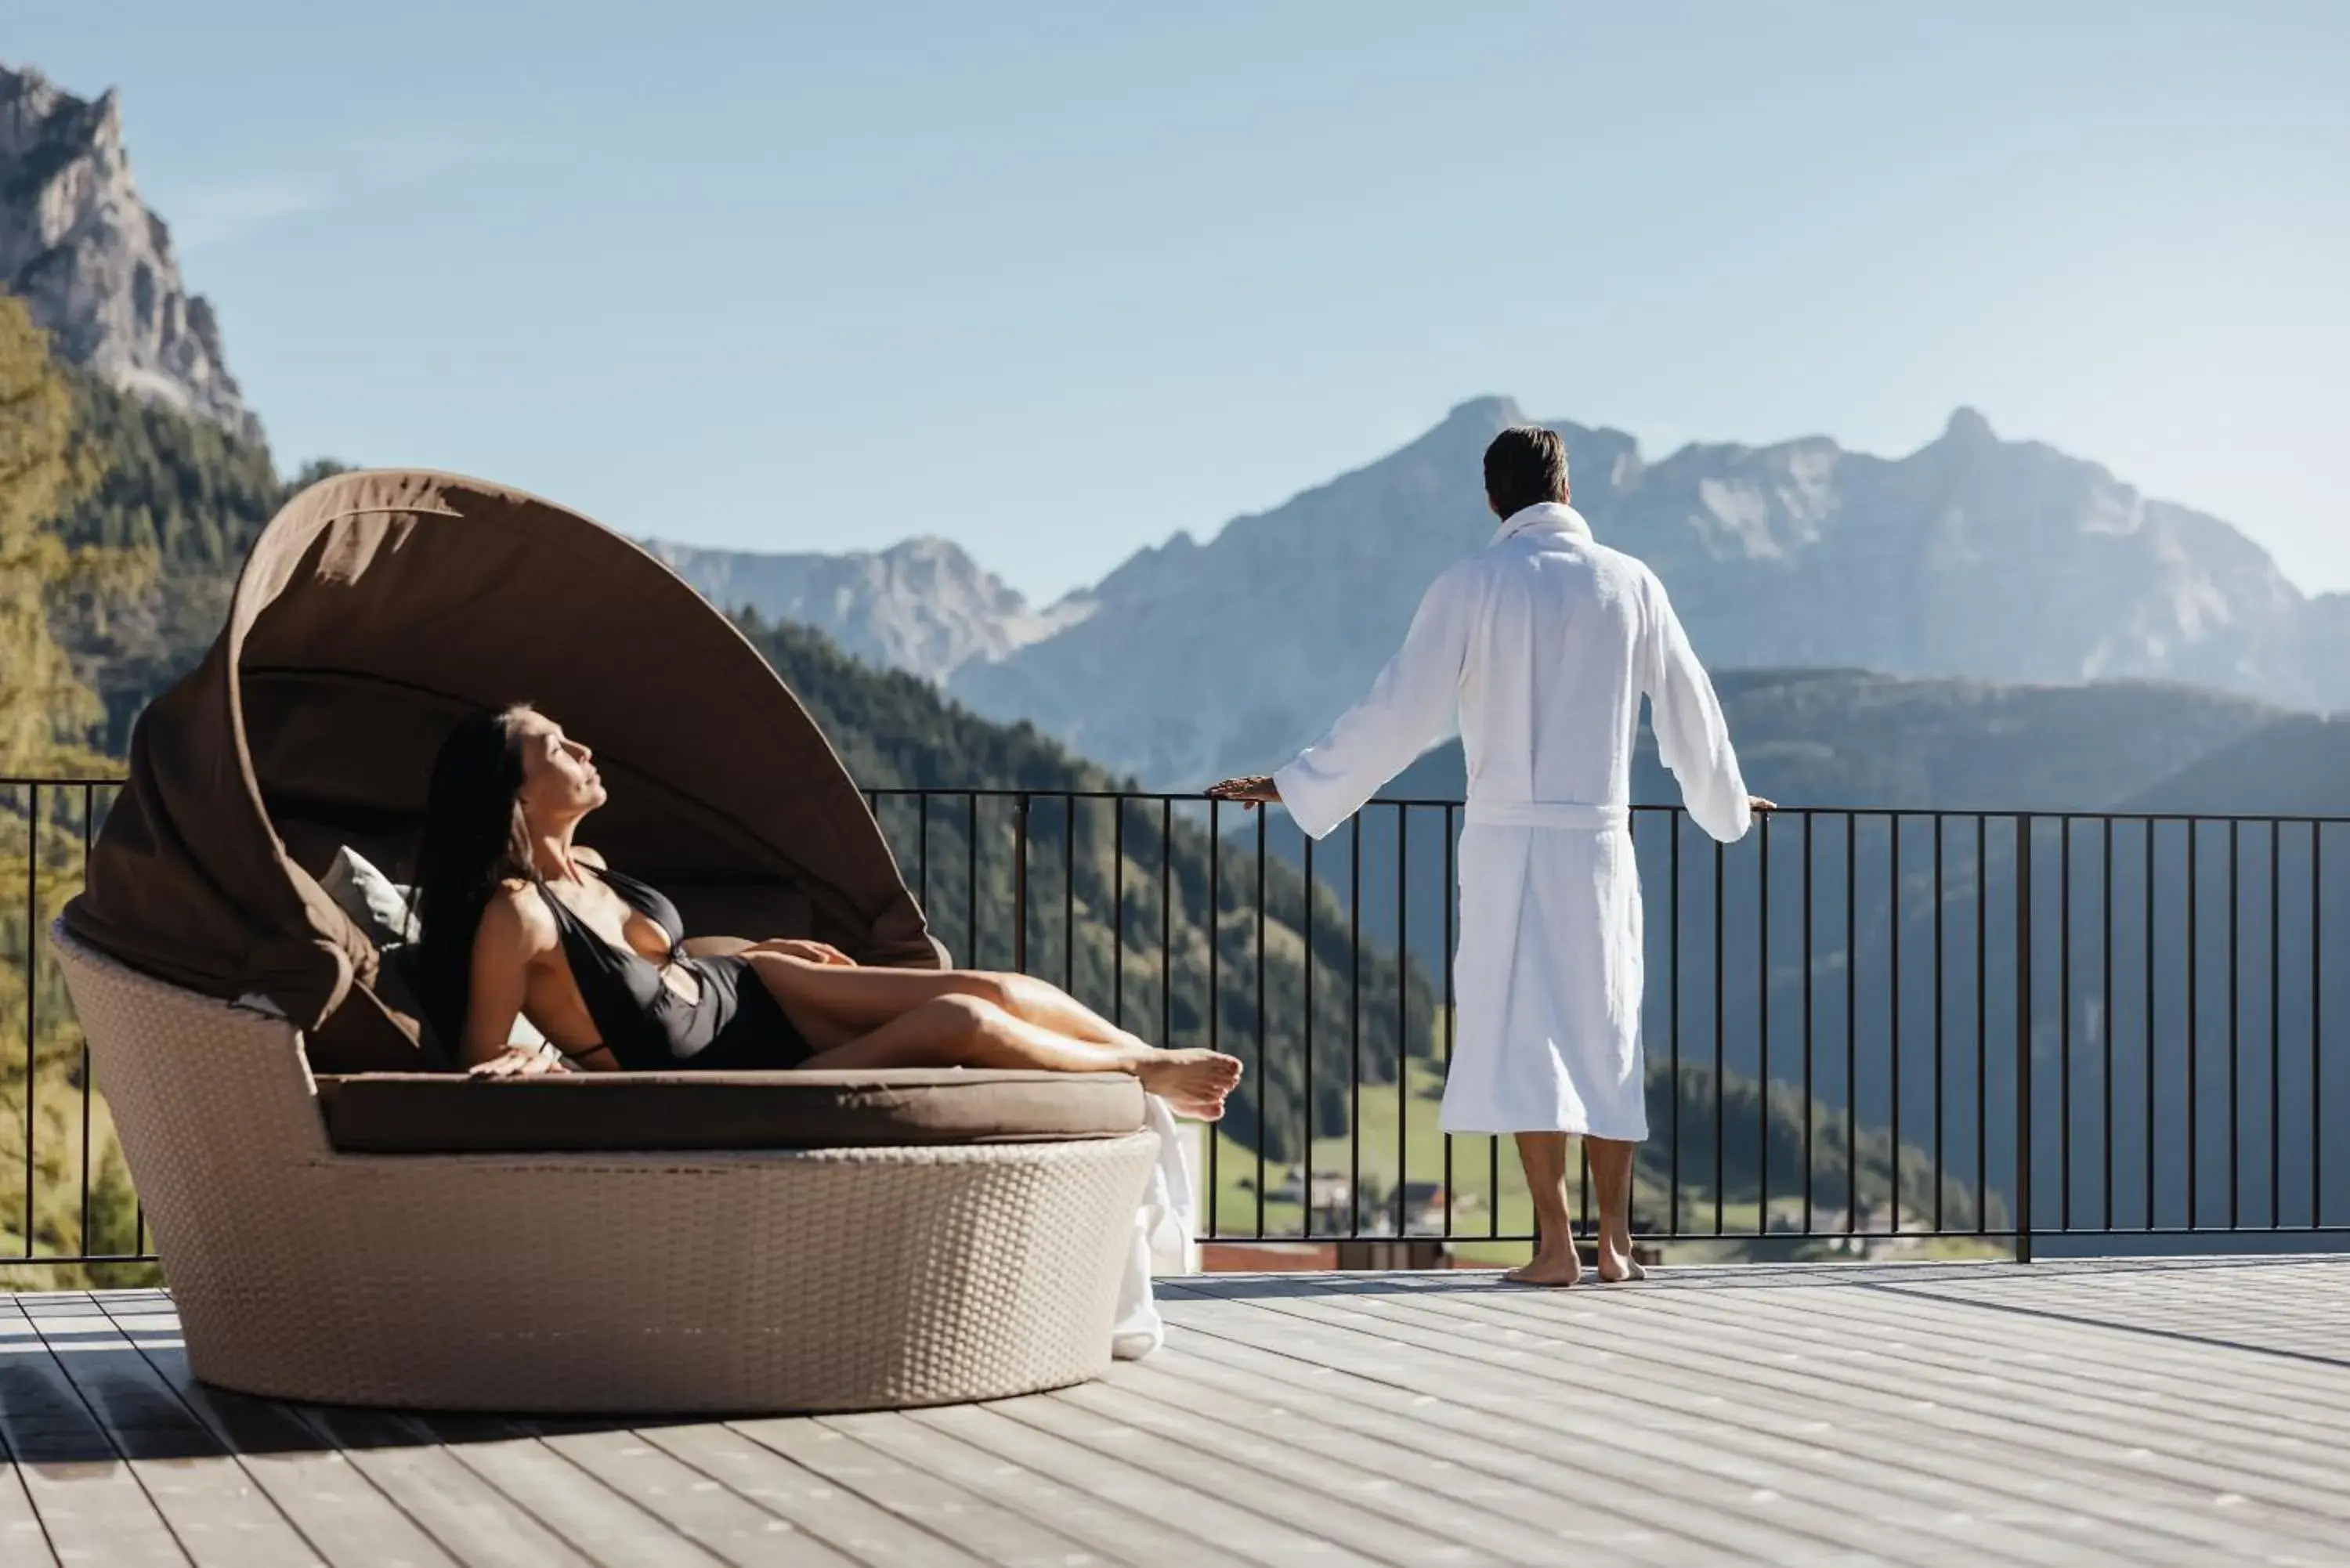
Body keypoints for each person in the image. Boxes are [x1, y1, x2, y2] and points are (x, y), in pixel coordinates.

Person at [1209, 425, 1768, 1284]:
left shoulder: (1471, 585)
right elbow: (1691, 709)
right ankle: (1615, 1244)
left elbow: (1398, 709)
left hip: (1508, 845)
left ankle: (1554, 1247)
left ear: (1493, 498)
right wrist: (1728, 803)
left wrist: (1296, 783)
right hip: (1598, 841)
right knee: (1607, 1030)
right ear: (1568, 490)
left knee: (1520, 1036)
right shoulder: (1633, 583)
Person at [412, 704, 1242, 1119]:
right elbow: (477, 1068)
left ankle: (1147, 1049)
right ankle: (1142, 1077)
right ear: (513, 792)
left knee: (994, 987)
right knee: (957, 1018)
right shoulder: (516, 915)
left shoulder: (591, 865)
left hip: (749, 986)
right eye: (557, 747)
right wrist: (528, 1058)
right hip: (728, 1078)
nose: (584, 749)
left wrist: (751, 946)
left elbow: (660, 961)